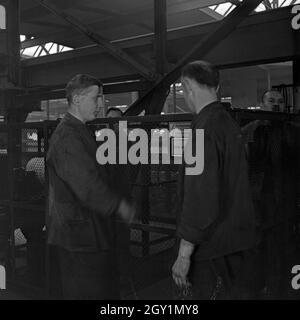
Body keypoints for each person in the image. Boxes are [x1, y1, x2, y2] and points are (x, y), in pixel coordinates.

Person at [172, 61, 259, 299]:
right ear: (217, 87)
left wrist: (184, 254)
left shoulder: (202, 130)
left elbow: (200, 197)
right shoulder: (227, 123)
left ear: (187, 85)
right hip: (238, 244)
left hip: (211, 251)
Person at [46, 74, 135, 300]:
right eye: (96, 99)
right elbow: (87, 186)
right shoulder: (68, 136)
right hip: (78, 237)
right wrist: (119, 206)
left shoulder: (79, 131)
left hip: (84, 232)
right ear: (77, 99)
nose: (99, 105)